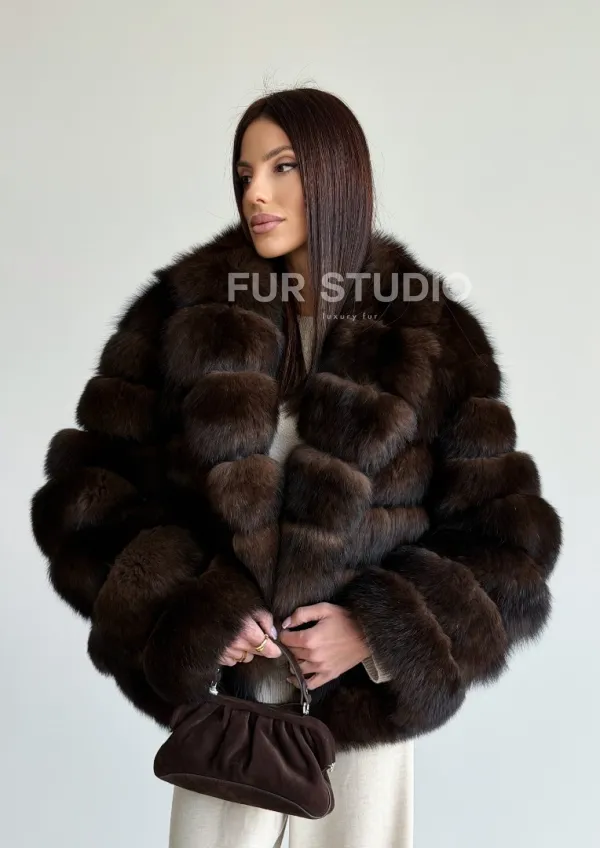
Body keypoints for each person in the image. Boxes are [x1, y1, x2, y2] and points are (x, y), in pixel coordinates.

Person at [30, 87, 562, 848]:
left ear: (340, 175)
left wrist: (376, 631)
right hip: (226, 715)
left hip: (358, 729)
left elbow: (509, 550)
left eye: (282, 167)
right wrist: (194, 608)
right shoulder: (184, 315)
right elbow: (85, 500)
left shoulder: (429, 334)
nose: (257, 192)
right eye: (244, 172)